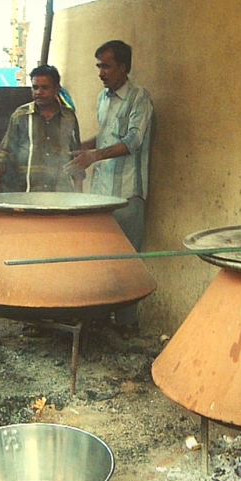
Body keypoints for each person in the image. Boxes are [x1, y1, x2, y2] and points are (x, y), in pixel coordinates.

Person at [67, 40, 154, 337]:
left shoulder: (139, 98)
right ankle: (102, 317)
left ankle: (128, 323)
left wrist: (94, 156)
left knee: (127, 260)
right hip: (101, 193)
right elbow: (105, 136)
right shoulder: (102, 98)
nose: (101, 72)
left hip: (127, 193)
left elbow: (133, 141)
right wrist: (80, 149)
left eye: (106, 65)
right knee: (102, 258)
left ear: (123, 67)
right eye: (98, 66)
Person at [0, 64, 83, 193]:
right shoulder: (20, 115)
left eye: (45, 87)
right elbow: (6, 151)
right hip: (26, 192)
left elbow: (75, 155)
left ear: (56, 89)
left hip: (60, 193)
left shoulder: (68, 117)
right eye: (35, 87)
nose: (38, 92)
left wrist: (78, 193)